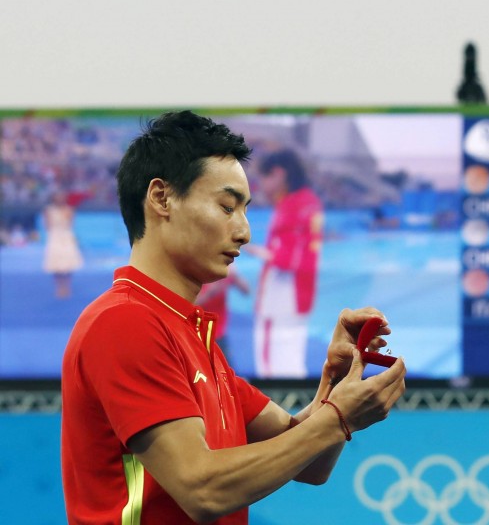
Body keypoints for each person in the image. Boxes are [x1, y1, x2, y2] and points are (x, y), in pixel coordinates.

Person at [60, 111, 406, 524]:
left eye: (244, 210)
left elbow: (310, 462)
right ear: (161, 198)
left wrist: (334, 383)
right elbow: (201, 489)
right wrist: (337, 418)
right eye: (227, 207)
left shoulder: (192, 335)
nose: (244, 232)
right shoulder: (124, 323)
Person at [247, 149, 323, 378]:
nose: (261, 185)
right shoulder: (307, 201)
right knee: (290, 357)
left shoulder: (294, 204)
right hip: (298, 293)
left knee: (272, 361)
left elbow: (291, 256)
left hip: (282, 296)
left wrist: (260, 252)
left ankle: (274, 410)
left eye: (264, 177)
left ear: (279, 174)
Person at [196, 264, 251, 358]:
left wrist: (235, 275)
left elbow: (246, 290)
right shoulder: (197, 273)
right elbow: (189, 304)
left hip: (218, 333)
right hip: (198, 333)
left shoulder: (223, 272)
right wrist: (210, 293)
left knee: (224, 369)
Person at [42, 190, 84, 298]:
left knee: (68, 263)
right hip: (55, 237)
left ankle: (67, 286)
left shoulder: (69, 210)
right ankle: (59, 286)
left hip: (66, 237)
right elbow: (47, 226)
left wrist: (66, 215)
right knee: (55, 263)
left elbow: (70, 224)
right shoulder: (48, 210)